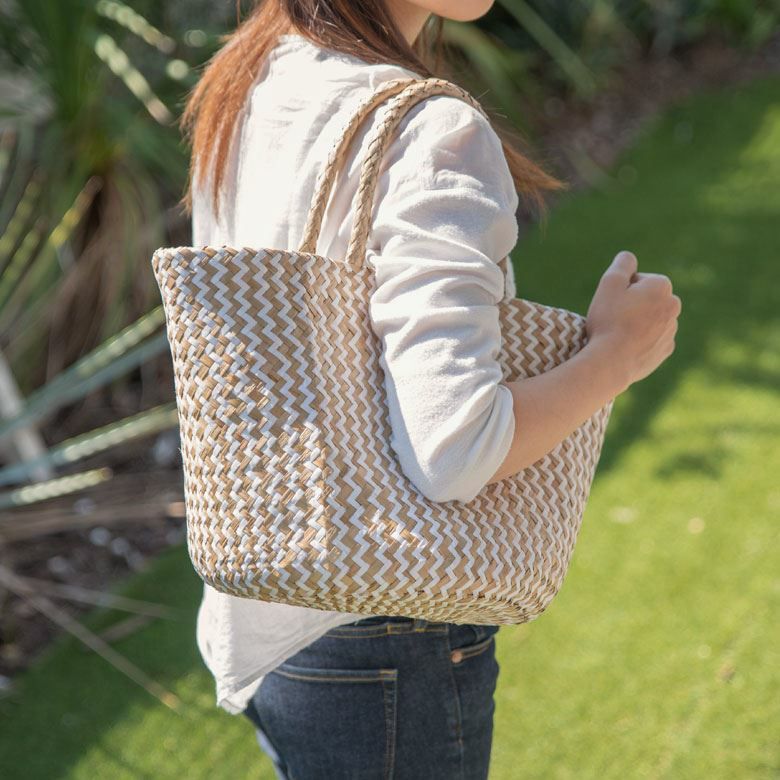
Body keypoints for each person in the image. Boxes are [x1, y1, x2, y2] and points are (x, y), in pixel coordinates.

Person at [179, 1, 681, 777]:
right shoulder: (432, 131)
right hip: (385, 633)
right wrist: (618, 353)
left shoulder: (255, 72)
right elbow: (455, 450)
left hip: (270, 609)